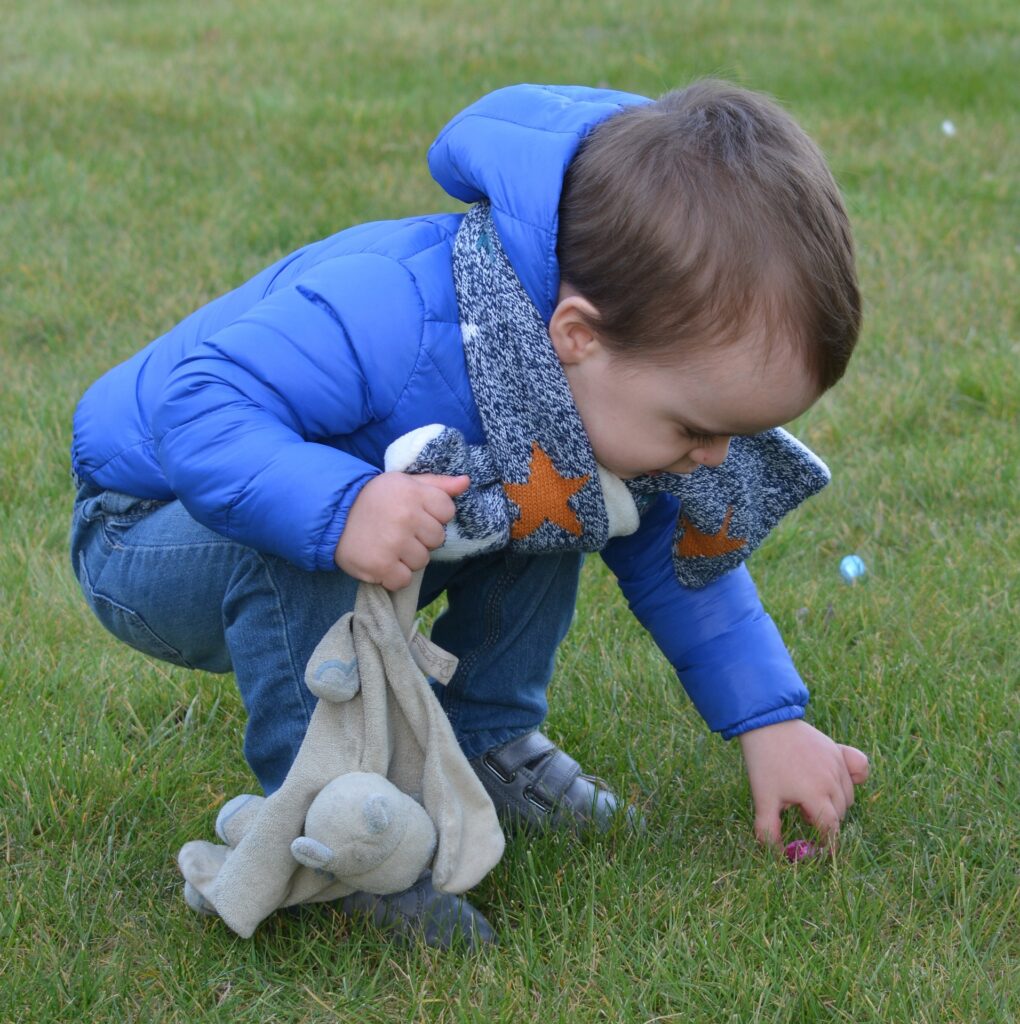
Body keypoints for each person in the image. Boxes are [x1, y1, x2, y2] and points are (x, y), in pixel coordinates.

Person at [69, 80, 870, 948]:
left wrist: (770, 719)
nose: (711, 458)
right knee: (317, 538)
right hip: (152, 525)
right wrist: (342, 508)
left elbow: (677, 552)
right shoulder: (391, 309)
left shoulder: (596, 381)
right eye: (695, 428)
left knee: (570, 493)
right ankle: (332, 831)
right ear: (578, 333)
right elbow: (196, 410)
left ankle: (485, 740)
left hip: (372, 508)